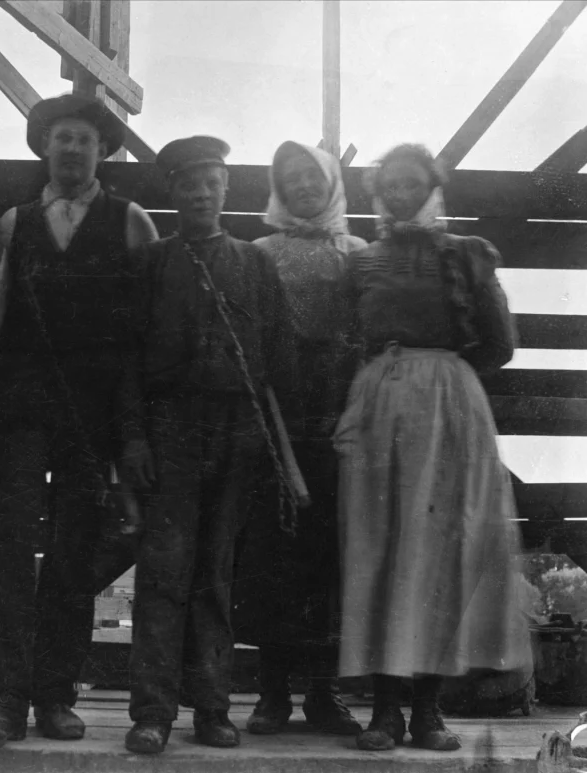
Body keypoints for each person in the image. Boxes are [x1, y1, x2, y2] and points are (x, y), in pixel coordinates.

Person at [0, 94, 157, 750]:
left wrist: (128, 429)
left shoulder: (131, 223)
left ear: (103, 151)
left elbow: (141, 339)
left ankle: (55, 695)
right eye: (62, 138)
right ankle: (4, 701)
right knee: (11, 546)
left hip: (90, 416)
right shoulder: (16, 222)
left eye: (85, 140)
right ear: (46, 148)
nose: (73, 149)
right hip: (21, 407)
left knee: (74, 550)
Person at [334, 143, 531, 752]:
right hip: (380, 408)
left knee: (445, 552)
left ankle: (428, 712)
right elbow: (348, 338)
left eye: (411, 183)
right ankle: (386, 712)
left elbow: (500, 345)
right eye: (388, 185)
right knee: (385, 548)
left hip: (449, 409)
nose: (399, 193)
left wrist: (437, 373)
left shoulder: (467, 255)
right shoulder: (362, 263)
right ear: (377, 193)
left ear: (431, 187)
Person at [118, 136, 297, 755]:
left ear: (226, 190)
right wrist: (133, 439)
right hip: (169, 429)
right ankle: (152, 713)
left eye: (212, 182)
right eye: (188, 183)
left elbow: (278, 360)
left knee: (216, 574)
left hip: (237, 433)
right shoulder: (151, 265)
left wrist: (266, 442)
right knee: (163, 573)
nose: (200, 192)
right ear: (171, 192)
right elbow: (128, 364)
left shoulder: (255, 264)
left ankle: (213, 709)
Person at [232, 141, 364, 737]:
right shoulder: (259, 252)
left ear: (331, 182)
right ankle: (272, 692)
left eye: (313, 177)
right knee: (273, 554)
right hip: (275, 420)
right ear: (278, 190)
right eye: (291, 179)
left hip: (338, 419)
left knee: (330, 557)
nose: (304, 187)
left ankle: (325, 692)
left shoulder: (357, 253)